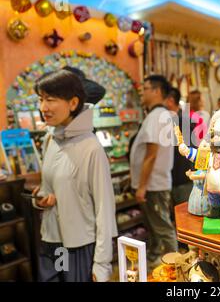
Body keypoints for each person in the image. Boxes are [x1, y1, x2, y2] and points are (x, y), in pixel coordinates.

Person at [32, 69, 117, 282]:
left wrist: (102, 264)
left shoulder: (91, 149)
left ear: (73, 103)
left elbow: (105, 210)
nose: (43, 107)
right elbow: (50, 188)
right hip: (52, 243)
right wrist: (42, 200)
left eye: (50, 99)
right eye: (41, 99)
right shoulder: (50, 140)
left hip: (79, 247)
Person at [129, 75, 177, 269]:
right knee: (156, 228)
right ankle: (158, 260)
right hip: (154, 183)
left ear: (157, 91)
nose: (142, 92)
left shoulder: (156, 116)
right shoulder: (159, 115)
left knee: (163, 228)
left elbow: (151, 155)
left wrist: (142, 186)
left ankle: (175, 267)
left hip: (153, 185)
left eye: (145, 88)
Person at [164, 88, 195, 210]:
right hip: (176, 180)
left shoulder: (182, 122)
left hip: (182, 181)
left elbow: (186, 154)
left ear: (171, 101)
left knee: (185, 217)